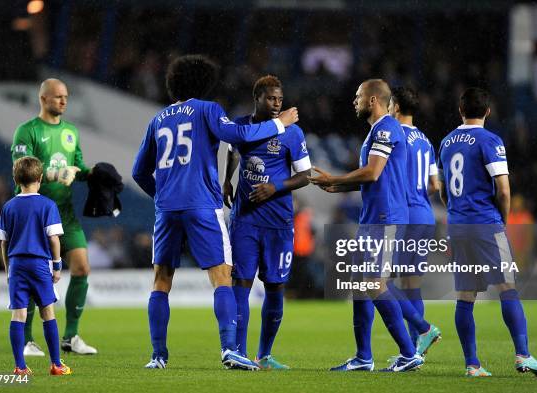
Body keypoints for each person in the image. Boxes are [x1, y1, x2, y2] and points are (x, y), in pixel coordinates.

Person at [132, 55, 299, 370]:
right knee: (222, 277)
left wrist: (162, 196)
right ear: (204, 82)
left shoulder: (159, 118)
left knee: (161, 280)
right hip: (202, 206)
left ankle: (158, 356)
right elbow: (239, 136)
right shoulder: (207, 109)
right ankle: (229, 350)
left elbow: (139, 171)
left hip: (166, 210)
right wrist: (280, 123)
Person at [309, 79, 424, 372]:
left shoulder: (386, 128)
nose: (354, 100)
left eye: (359, 96)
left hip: (386, 218)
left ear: (373, 100)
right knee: (361, 286)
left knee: (374, 283)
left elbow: (373, 173)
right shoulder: (376, 131)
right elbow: (377, 179)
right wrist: (340, 188)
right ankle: (363, 356)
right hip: (373, 217)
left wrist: (334, 179)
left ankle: (409, 353)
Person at [437, 87, 537, 377]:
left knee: (465, 296)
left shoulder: (447, 142)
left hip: (458, 224)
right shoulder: (490, 140)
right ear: (488, 111)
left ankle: (472, 365)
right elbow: (503, 188)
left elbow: (441, 190)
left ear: (460, 111)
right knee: (508, 287)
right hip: (486, 223)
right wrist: (501, 220)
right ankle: (523, 355)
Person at [222, 75, 311, 370]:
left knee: (275, 287)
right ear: (257, 98)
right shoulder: (242, 124)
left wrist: (275, 187)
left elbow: (305, 175)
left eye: (280, 100)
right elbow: (233, 151)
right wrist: (226, 180)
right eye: (271, 99)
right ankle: (238, 352)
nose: (276, 105)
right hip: (245, 220)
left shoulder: (293, 133)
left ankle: (265, 354)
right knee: (241, 284)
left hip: (279, 222)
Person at [12, 78, 97, 356]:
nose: (63, 101)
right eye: (58, 96)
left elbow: (78, 167)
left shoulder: (71, 131)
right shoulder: (27, 131)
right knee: (37, 277)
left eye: (66, 97)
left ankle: (70, 336)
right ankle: (26, 340)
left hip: (65, 213)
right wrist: (51, 174)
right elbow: (21, 171)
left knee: (82, 268)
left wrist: (93, 173)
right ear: (43, 99)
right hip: (35, 212)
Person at [0, 156, 72, 375]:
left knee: (18, 315)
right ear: (40, 178)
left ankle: (20, 367)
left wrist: (8, 269)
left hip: (17, 264)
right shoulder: (48, 205)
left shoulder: (9, 206)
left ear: (16, 179)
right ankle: (56, 365)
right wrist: (57, 266)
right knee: (47, 312)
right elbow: (53, 239)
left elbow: (4, 242)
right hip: (39, 264)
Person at [387, 87, 441, 355]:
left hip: (404, 215)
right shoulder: (426, 140)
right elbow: (434, 184)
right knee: (411, 283)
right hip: (425, 215)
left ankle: (421, 330)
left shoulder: (394, 136)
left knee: (381, 280)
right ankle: (416, 349)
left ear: (395, 107)